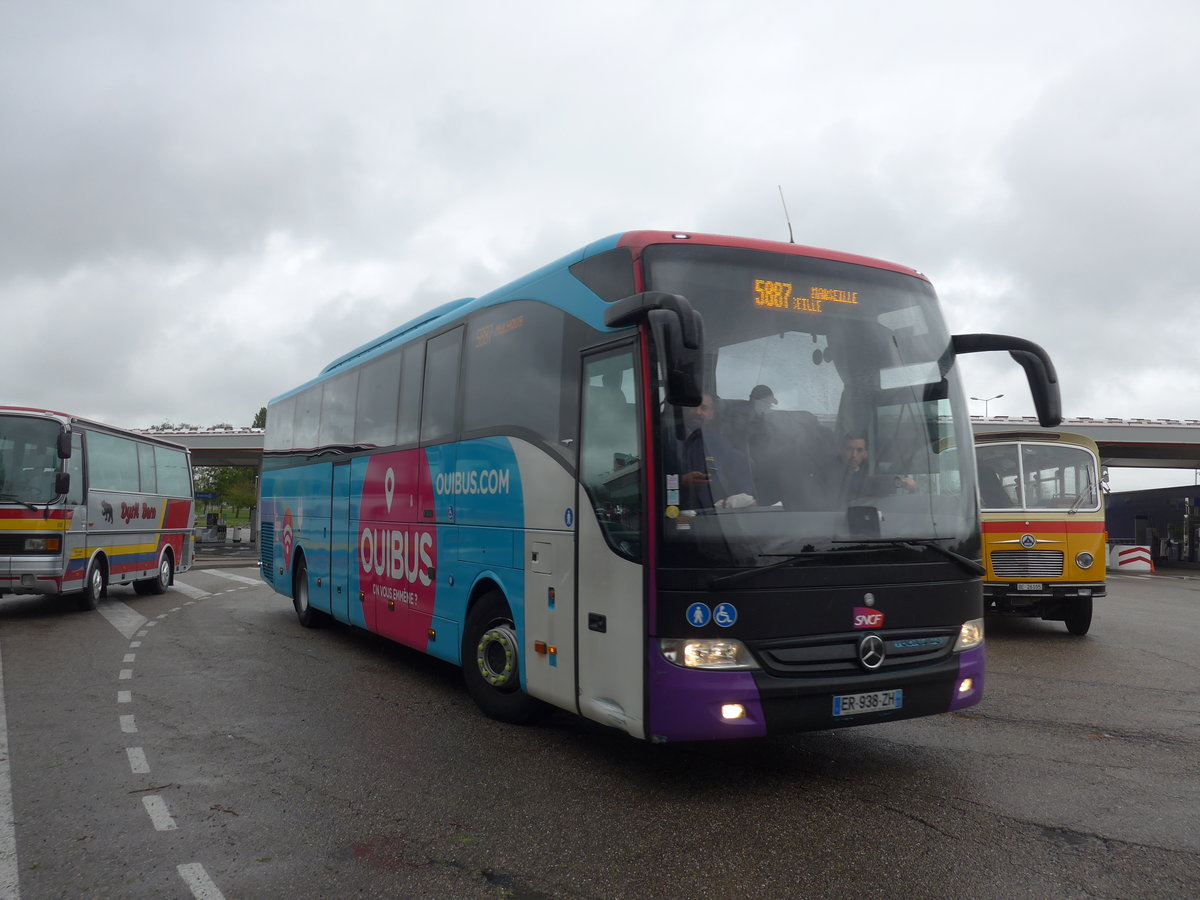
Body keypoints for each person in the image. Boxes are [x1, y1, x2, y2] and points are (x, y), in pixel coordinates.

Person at [678, 394, 754, 509]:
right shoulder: (666, 439)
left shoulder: (721, 445)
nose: (698, 412)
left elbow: (740, 484)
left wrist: (744, 500)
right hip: (672, 517)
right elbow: (652, 481)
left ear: (711, 414)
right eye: (693, 407)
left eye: (704, 408)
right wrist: (681, 481)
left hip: (715, 518)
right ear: (685, 410)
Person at [835, 433, 916, 501]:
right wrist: (896, 483)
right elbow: (863, 485)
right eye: (849, 449)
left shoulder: (871, 471)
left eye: (859, 450)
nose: (854, 455)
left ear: (865, 454)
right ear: (841, 451)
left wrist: (904, 483)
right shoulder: (830, 473)